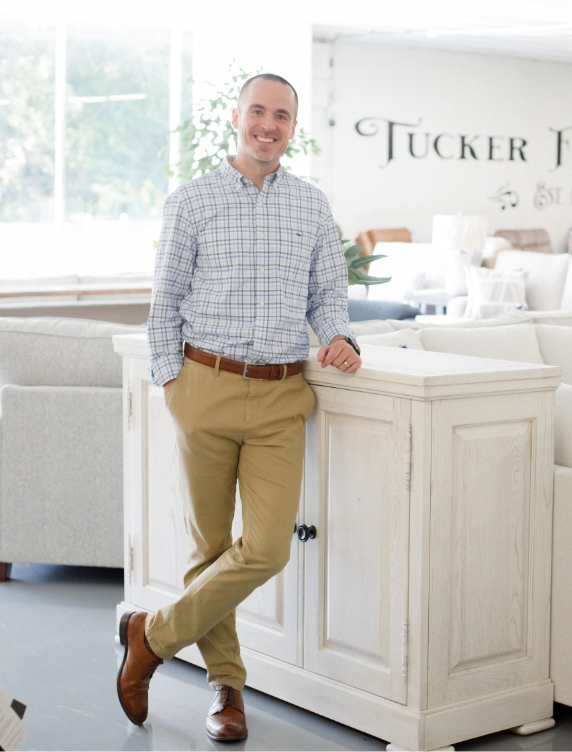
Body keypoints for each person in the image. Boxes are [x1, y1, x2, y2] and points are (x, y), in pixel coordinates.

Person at [116, 73, 362, 742]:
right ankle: (228, 690)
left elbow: (327, 299)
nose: (269, 125)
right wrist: (175, 386)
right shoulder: (192, 201)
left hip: (284, 395)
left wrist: (337, 336)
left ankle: (150, 636)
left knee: (266, 548)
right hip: (205, 387)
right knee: (209, 547)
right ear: (237, 116)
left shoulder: (312, 206)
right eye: (259, 111)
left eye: (282, 115)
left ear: (292, 127)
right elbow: (163, 304)